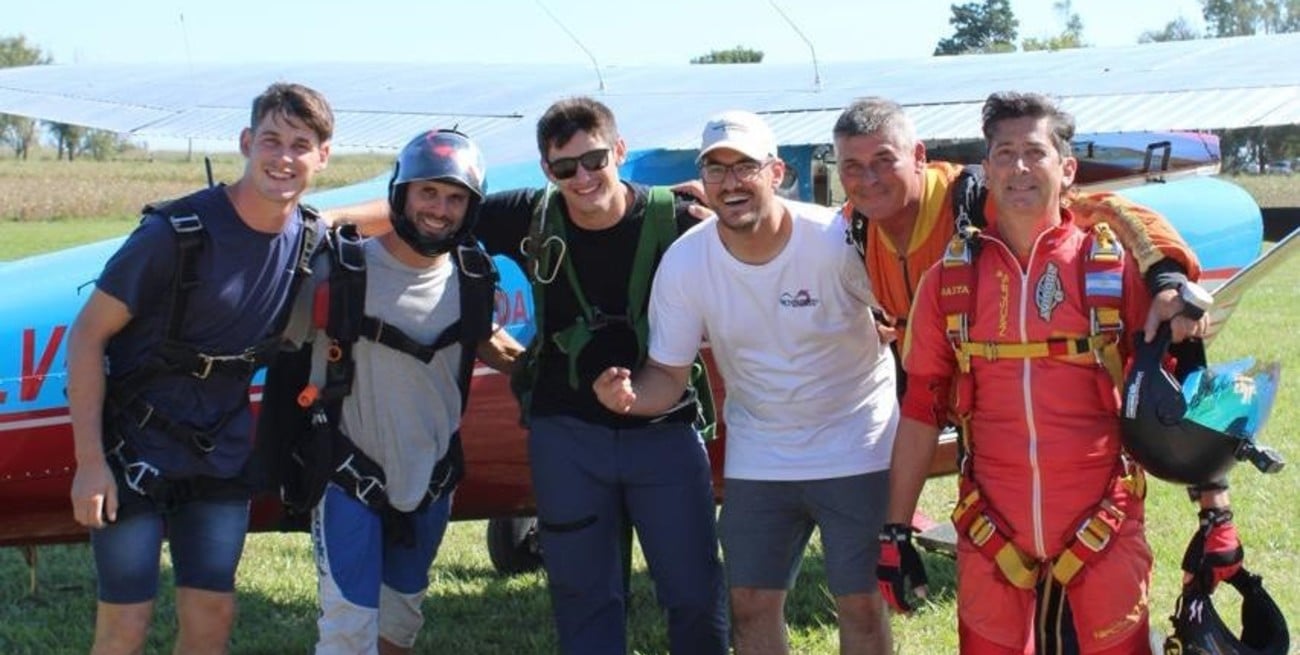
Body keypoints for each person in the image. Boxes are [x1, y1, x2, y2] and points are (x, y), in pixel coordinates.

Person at [326, 96, 729, 655]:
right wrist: (311, 222)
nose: (582, 178)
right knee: (583, 595)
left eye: (594, 161)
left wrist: (723, 197)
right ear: (547, 170)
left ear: (619, 150)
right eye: (565, 168)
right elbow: (436, 216)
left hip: (663, 427)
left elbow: (762, 234)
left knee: (693, 591)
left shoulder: (683, 220)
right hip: (567, 432)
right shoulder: (530, 213)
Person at [882, 91, 1240, 654]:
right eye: (1003, 153)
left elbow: (1185, 391)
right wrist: (895, 530)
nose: (1018, 168)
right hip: (990, 532)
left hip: (1104, 527)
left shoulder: (1115, 268)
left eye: (1034, 152)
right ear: (986, 167)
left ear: (1067, 168)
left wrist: (1216, 513)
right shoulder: (949, 285)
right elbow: (920, 409)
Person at [593, 110, 898, 655]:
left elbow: (898, 313)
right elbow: (666, 372)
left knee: (861, 604)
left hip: (858, 443)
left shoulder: (836, 239)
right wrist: (630, 398)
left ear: (776, 172)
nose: (730, 183)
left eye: (745, 167)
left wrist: (894, 328)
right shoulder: (687, 260)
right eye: (715, 169)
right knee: (751, 604)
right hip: (761, 450)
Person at [66, 82, 334, 655]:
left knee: (212, 617)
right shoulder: (174, 234)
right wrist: (90, 463)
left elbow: (391, 216)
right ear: (245, 142)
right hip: (131, 450)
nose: (284, 157)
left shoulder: (310, 237)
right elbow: (87, 336)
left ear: (322, 156)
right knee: (125, 624)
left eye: (301, 144)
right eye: (271, 140)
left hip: (219, 454)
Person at [269, 129, 522, 654]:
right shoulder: (338, 269)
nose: (439, 209)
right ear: (400, 194)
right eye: (427, 192)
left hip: (431, 478)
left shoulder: (472, 278)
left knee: (401, 624)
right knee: (348, 630)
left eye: (455, 198)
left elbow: (496, 347)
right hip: (348, 476)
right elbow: (267, 333)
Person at [831, 96, 1204, 400]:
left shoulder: (974, 201)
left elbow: (1104, 209)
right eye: (853, 166)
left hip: (1026, 393)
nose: (870, 180)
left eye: (884, 160)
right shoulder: (853, 225)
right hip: (942, 398)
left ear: (917, 156)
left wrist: (1166, 279)